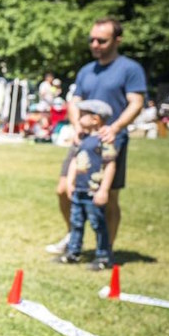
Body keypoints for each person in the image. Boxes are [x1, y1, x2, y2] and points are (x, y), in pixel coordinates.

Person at [46, 18, 147, 256]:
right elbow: (75, 101)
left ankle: (106, 250)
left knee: (108, 196)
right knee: (64, 189)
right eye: (92, 40)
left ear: (117, 40)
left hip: (111, 141)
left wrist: (116, 127)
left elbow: (136, 102)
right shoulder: (86, 71)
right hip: (83, 140)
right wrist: (76, 126)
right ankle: (73, 236)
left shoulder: (129, 69)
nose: (95, 44)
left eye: (101, 40)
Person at [56, 100, 117, 270]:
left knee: (98, 224)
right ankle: (73, 252)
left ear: (95, 119)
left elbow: (110, 165)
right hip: (79, 190)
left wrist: (104, 190)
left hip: (93, 191)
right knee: (76, 222)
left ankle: (103, 256)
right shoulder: (82, 138)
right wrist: (70, 182)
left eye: (82, 115)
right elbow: (75, 161)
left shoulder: (103, 140)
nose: (78, 118)